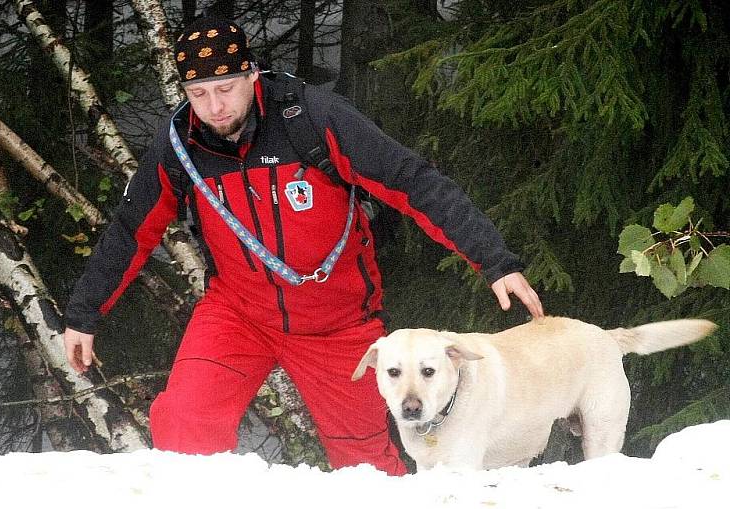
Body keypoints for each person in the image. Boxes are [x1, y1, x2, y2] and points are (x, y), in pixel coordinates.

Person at [63, 16, 544, 476]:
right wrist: (84, 313)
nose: (214, 107)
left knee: (368, 470)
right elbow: (132, 229)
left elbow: (411, 181)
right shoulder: (181, 143)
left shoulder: (311, 117)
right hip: (238, 314)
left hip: (337, 323)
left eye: (226, 88)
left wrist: (494, 260)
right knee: (184, 423)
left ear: (252, 75)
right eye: (198, 93)